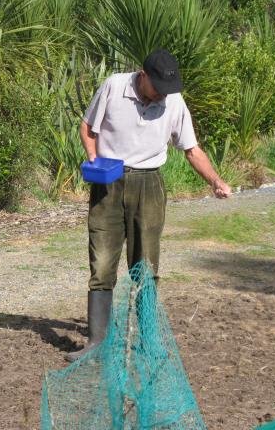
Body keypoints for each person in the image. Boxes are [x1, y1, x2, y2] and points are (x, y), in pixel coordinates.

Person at [66, 48, 231, 362]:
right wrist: (93, 157)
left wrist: (215, 181)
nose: (162, 97)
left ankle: (149, 342)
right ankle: (96, 343)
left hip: (149, 185)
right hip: (108, 183)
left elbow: (192, 149)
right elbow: (87, 128)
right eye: (158, 89)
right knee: (101, 264)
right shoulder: (114, 87)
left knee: (146, 266)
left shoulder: (173, 102)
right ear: (143, 76)